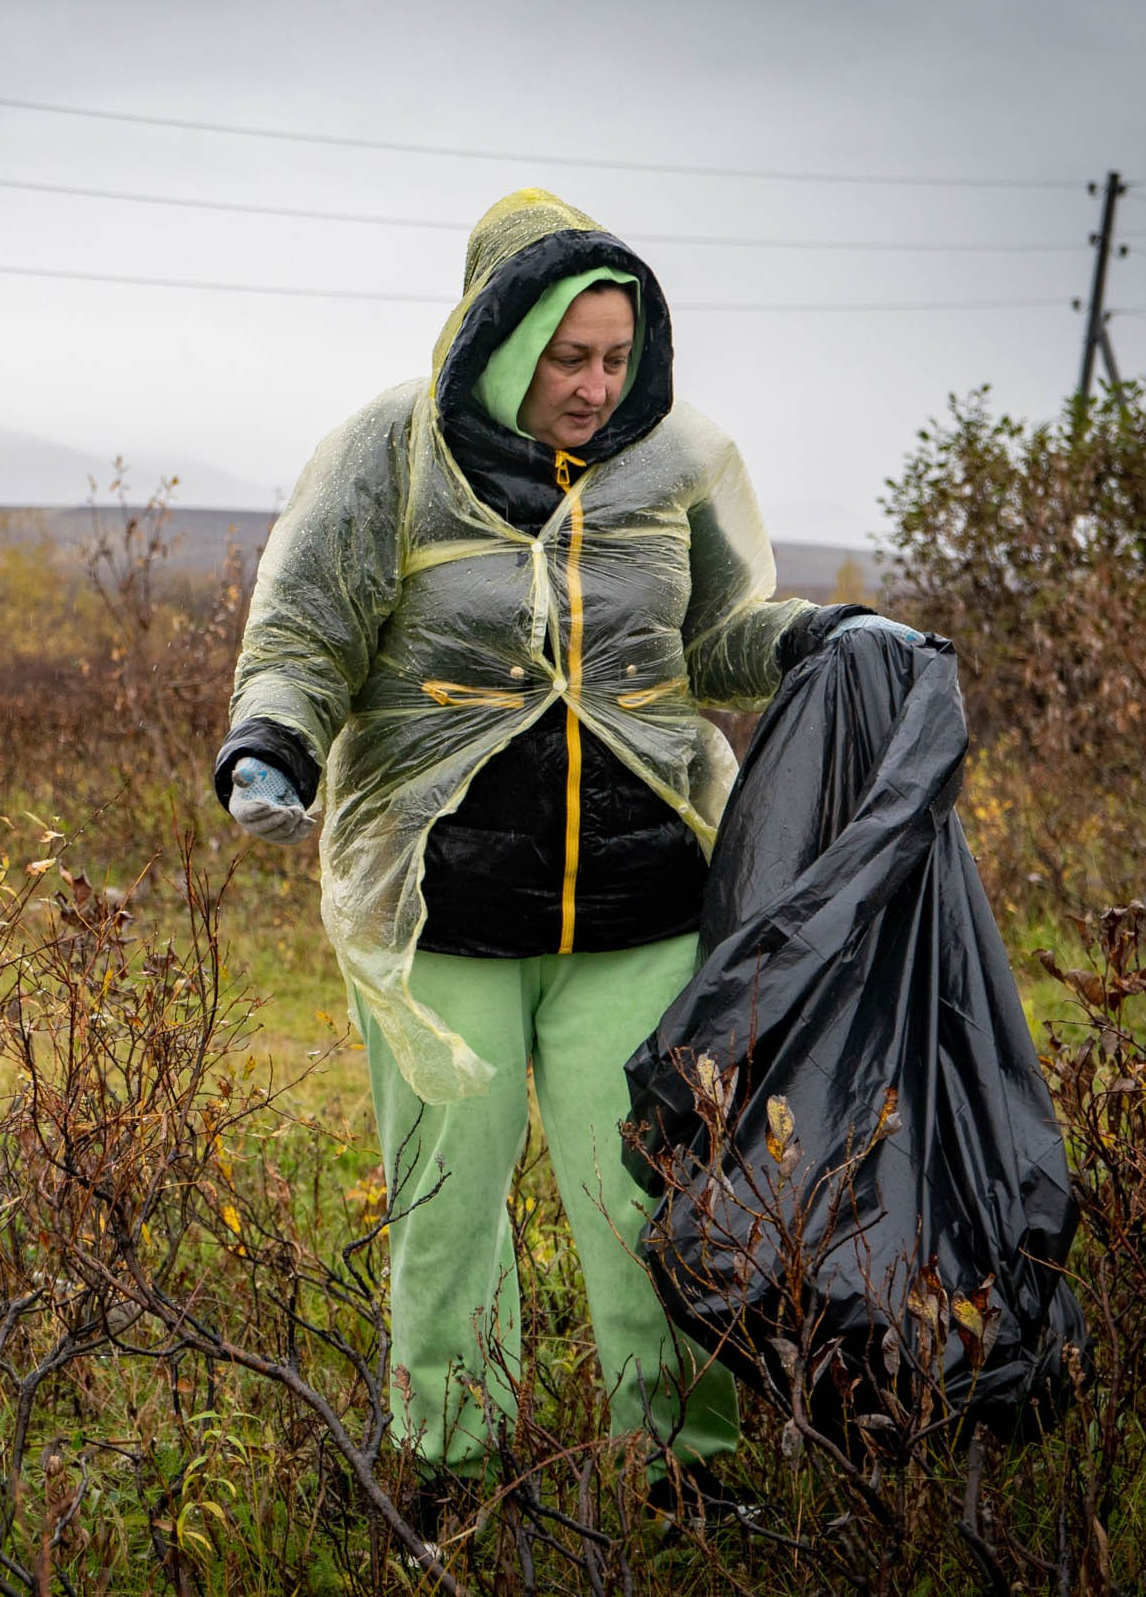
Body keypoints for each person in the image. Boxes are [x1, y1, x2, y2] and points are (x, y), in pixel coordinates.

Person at [214, 190, 921, 1534]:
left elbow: (717, 637)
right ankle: (447, 1466)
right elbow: (304, 631)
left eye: (616, 357)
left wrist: (817, 635)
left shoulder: (683, 458)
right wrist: (272, 744)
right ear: (497, 339)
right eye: (567, 358)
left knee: (651, 1198)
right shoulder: (387, 451)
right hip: (445, 909)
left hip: (644, 906)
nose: (596, 386)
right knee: (447, 1206)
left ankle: (680, 1467)